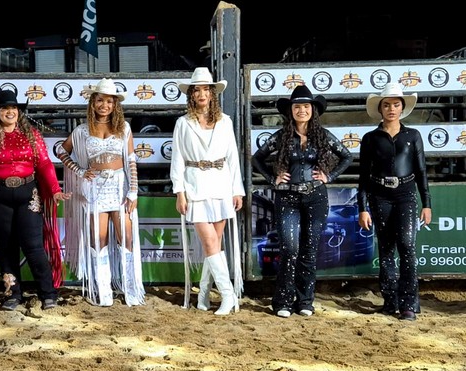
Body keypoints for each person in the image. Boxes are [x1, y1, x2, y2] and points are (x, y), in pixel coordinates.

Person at [0, 89, 71, 311]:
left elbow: (44, 163)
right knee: (6, 247)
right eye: (4, 108)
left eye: (13, 108)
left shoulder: (32, 135)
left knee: (33, 246)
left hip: (28, 195)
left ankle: (48, 294)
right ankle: (13, 294)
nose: (10, 111)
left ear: (18, 111)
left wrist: (55, 189)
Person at [252, 84, 353, 318]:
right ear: (291, 110)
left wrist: (329, 176)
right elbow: (257, 158)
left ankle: (305, 301)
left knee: (309, 249)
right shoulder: (281, 136)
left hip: (316, 197)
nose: (302, 110)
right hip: (287, 197)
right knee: (289, 249)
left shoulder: (322, 135)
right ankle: (283, 302)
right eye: (297, 107)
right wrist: (273, 179)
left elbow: (346, 156)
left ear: (312, 109)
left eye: (306, 106)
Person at [58, 78, 145, 306]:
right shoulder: (82, 130)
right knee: (98, 239)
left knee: (126, 237)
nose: (104, 105)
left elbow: (131, 160)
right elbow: (60, 150)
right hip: (95, 187)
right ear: (92, 102)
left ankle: (131, 288)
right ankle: (103, 289)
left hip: (120, 186)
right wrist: (79, 170)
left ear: (115, 104)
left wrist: (133, 191)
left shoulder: (124, 128)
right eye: (100, 100)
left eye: (109, 101)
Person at [170, 67, 245, 315]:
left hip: (221, 185)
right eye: (197, 90)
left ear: (212, 93)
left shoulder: (225, 121)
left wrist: (237, 190)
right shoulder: (183, 123)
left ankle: (203, 293)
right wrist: (179, 191)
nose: (202, 94)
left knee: (214, 244)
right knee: (210, 241)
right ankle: (228, 295)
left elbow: (233, 158)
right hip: (195, 187)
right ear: (191, 95)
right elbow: (178, 160)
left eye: (206, 89)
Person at [357, 83, 431, 321]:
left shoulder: (413, 136)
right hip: (379, 196)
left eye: (396, 104)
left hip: (406, 195)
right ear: (380, 108)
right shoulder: (370, 138)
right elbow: (363, 176)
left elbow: (421, 171)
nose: (391, 109)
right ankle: (390, 301)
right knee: (386, 249)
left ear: (402, 108)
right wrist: (362, 208)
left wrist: (427, 203)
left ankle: (409, 304)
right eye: (387, 105)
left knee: (407, 246)